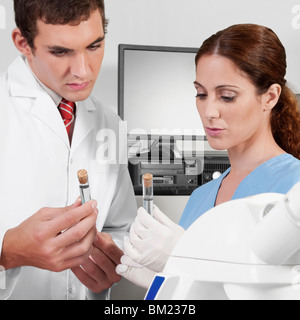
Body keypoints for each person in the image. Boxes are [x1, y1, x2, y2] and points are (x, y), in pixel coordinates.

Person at [117, 24, 300, 288]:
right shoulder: (200, 198)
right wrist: (163, 283)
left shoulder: (295, 189)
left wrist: (191, 260)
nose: (209, 111)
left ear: (269, 97)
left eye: (227, 97)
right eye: (201, 94)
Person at [0, 0, 137, 300]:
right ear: (23, 42)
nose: (83, 70)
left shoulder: (109, 122)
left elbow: (121, 226)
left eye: (94, 45)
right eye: (60, 51)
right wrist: (6, 250)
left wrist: (111, 263)